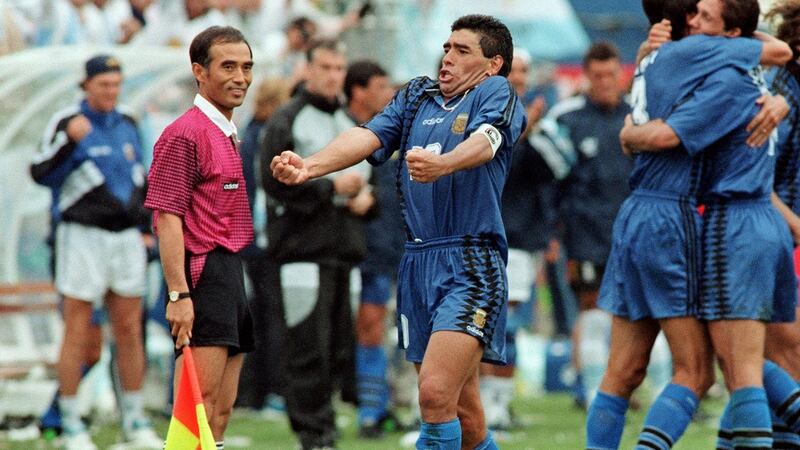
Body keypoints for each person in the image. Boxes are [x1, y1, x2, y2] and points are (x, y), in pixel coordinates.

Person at [271, 14, 526, 449]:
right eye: (447, 48)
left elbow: (487, 141)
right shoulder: (416, 96)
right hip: (418, 263)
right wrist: (310, 166)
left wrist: (444, 163)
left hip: (470, 263)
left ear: (493, 64)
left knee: (434, 394)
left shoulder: (495, 92)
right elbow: (366, 136)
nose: (448, 57)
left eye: (462, 50)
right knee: (465, 415)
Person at [615, 1, 795, 448]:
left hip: (733, 223)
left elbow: (665, 136)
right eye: (693, 14)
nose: (695, 21)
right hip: (761, 222)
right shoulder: (754, 77)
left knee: (739, 367)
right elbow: (774, 50)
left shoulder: (721, 78)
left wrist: (628, 134)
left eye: (706, 17)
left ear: (730, 35)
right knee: (750, 358)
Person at [29, 54, 160, 450]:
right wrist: (69, 141)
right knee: (78, 330)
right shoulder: (68, 120)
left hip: (125, 239)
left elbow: (139, 179)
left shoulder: (128, 122)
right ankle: (70, 424)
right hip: (82, 237)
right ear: (86, 85)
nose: (111, 91)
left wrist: (145, 228)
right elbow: (39, 172)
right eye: (104, 84)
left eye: (116, 84)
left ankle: (134, 420)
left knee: (130, 329)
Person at [144, 26, 256, 450]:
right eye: (228, 66)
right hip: (202, 272)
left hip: (230, 269)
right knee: (197, 408)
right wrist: (178, 295)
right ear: (199, 71)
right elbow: (167, 218)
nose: (240, 77)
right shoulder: (184, 133)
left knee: (222, 411)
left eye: (246, 67)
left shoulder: (225, 129)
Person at [260, 39, 373, 450]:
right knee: (307, 346)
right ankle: (311, 433)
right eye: (324, 66)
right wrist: (331, 189)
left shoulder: (349, 120)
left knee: (338, 348)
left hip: (344, 251)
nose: (332, 75)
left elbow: (372, 181)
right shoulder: (286, 119)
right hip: (301, 252)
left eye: (339, 67)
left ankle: (325, 427)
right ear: (307, 69)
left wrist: (368, 199)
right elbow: (273, 183)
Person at [546, 42, 633, 407]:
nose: (604, 82)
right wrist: (552, 231)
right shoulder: (567, 119)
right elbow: (551, 182)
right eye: (597, 75)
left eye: (610, 74)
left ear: (620, 74)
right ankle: (597, 394)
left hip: (632, 233)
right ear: (586, 77)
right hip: (584, 234)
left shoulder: (637, 116)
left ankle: (625, 386)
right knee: (594, 310)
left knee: (634, 313)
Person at [341, 59, 406, 439]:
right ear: (360, 91)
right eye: (381, 86)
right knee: (366, 327)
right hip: (356, 248)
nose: (389, 93)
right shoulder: (345, 130)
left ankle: (383, 406)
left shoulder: (395, 130)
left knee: (389, 328)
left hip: (393, 247)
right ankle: (368, 409)